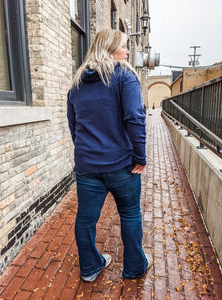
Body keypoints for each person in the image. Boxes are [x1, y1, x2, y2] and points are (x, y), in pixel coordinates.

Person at [67, 29, 153, 282]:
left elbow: (74, 127)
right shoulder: (124, 75)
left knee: (86, 217)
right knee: (130, 214)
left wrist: (87, 153)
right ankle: (135, 267)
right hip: (121, 165)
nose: (127, 52)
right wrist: (141, 157)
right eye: (124, 47)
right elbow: (135, 119)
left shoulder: (76, 84)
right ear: (111, 48)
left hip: (86, 165)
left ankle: (91, 266)